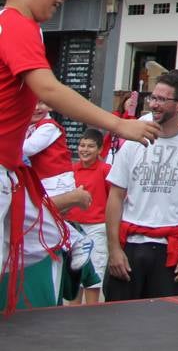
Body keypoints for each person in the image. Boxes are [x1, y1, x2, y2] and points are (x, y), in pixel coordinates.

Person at [0, 0, 158, 311]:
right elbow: (49, 89)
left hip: (10, 170)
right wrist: (120, 126)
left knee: (44, 240)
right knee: (33, 243)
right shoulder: (18, 26)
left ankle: (71, 242)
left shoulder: (15, 27)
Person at [103, 70, 178, 301]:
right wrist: (114, 249)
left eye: (162, 100)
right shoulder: (134, 141)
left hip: (173, 250)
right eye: (153, 98)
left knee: (166, 325)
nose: (154, 105)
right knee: (117, 320)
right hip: (131, 246)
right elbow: (115, 195)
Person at [69, 128, 112, 303]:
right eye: (82, 145)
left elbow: (114, 200)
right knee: (73, 277)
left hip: (96, 228)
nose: (85, 150)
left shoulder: (105, 170)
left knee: (93, 277)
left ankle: (91, 319)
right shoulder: (71, 170)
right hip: (74, 228)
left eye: (90, 146)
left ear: (100, 149)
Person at [102, 92, 141, 164]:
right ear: (124, 102)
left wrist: (131, 115)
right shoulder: (115, 115)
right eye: (129, 101)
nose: (131, 103)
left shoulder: (137, 120)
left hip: (126, 154)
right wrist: (127, 113)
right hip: (110, 151)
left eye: (133, 103)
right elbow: (116, 128)